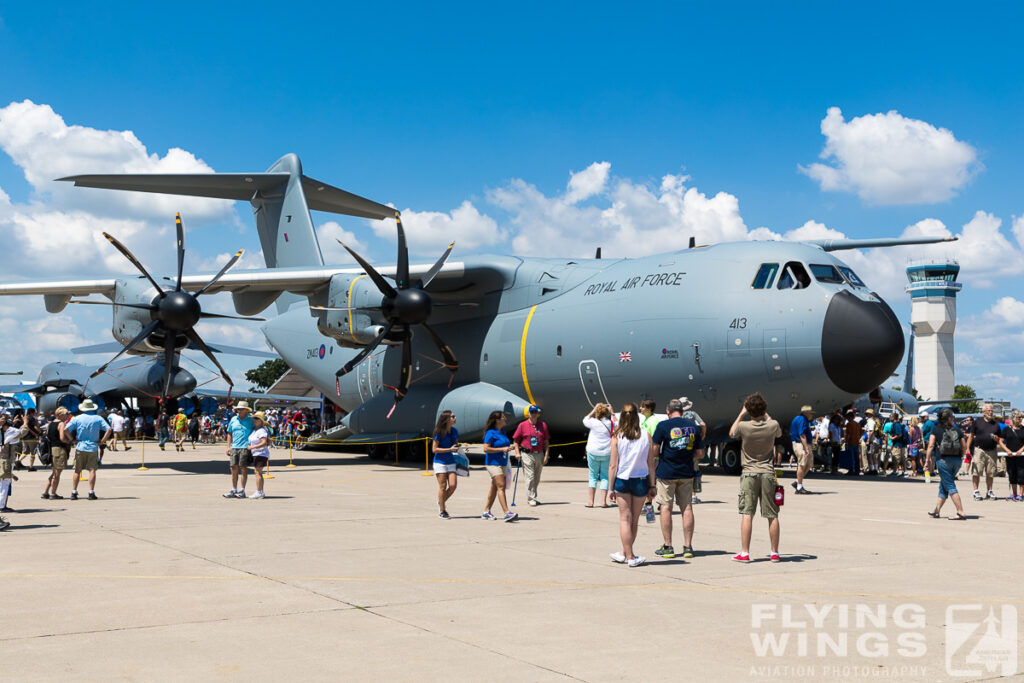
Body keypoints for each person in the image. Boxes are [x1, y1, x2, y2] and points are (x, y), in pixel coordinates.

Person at [728, 393, 783, 563]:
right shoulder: (773, 425)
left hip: (749, 473)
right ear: (764, 409)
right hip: (767, 472)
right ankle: (774, 552)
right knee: (772, 514)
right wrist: (766, 414)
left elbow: (731, 433)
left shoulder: (744, 426)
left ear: (748, 409)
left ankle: (745, 552)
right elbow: (779, 434)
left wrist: (741, 414)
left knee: (747, 513)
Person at [651, 398, 703, 559]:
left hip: (666, 473)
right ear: (682, 411)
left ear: (668, 411)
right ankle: (688, 547)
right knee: (686, 508)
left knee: (665, 507)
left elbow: (654, 451)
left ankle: (668, 546)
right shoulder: (693, 427)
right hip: (686, 472)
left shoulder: (663, 426)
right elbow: (700, 453)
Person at [608, 403, 655, 567]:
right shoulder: (646, 435)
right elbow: (651, 464)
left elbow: (613, 465)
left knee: (624, 519)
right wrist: (653, 485)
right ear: (637, 416)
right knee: (634, 520)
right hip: (640, 481)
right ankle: (629, 555)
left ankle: (626, 554)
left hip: (622, 479)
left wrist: (610, 488)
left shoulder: (617, 436)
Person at [925, 408, 967, 520]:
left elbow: (930, 445)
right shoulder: (957, 430)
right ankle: (936, 511)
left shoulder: (936, 429)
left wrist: (927, 460)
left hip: (943, 461)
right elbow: (964, 446)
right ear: (949, 418)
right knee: (944, 485)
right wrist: (961, 456)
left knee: (950, 486)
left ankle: (960, 512)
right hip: (957, 461)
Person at [66, 399, 111, 501]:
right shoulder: (98, 418)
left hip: (80, 446)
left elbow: (65, 429)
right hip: (93, 447)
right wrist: (102, 441)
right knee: (92, 470)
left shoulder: (77, 418)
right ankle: (91, 492)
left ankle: (74, 491)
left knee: (77, 470)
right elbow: (109, 429)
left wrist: (72, 440)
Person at [481, 411, 518, 522]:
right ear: (497, 420)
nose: (505, 419)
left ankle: (486, 511)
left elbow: (504, 445)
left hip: (503, 463)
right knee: (501, 486)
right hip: (493, 464)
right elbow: (486, 449)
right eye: (503, 417)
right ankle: (507, 512)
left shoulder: (502, 432)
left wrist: (509, 447)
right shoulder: (490, 433)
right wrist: (502, 449)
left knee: (494, 488)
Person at [512, 405, 550, 506]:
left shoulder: (543, 425)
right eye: (532, 412)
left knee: (536, 478)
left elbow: (546, 441)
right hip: (527, 454)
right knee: (530, 477)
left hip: (539, 454)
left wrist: (546, 455)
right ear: (528, 413)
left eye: (535, 412)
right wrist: (517, 452)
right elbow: (516, 441)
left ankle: (533, 496)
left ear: (538, 414)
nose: (533, 414)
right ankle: (531, 498)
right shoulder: (522, 425)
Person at [968, 404, 1003, 500]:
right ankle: (976, 491)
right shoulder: (977, 422)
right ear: (983, 412)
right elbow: (971, 436)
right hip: (979, 450)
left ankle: (989, 491)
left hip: (991, 450)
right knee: (977, 471)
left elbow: (1000, 439)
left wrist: (997, 438)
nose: (991, 412)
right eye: (988, 411)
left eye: (992, 411)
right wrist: (967, 449)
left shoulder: (996, 424)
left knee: (990, 472)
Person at [583, 403, 615, 507]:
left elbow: (585, 419)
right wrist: (612, 412)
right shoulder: (610, 423)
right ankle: (603, 502)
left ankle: (591, 502)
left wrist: (594, 409)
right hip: (606, 453)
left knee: (593, 476)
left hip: (593, 452)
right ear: (606, 413)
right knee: (605, 477)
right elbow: (619, 424)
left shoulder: (593, 422)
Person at [432, 410, 460, 519]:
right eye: (453, 416)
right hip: (440, 462)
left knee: (453, 486)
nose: (455, 418)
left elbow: (455, 444)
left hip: (451, 461)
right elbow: (434, 449)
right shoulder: (438, 432)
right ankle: (443, 510)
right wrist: (449, 449)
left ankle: (441, 501)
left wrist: (458, 447)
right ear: (447, 419)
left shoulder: (454, 431)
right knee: (443, 486)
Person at [224, 401, 254, 499]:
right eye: (238, 409)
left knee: (244, 468)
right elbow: (229, 433)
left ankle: (242, 490)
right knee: (233, 468)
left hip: (245, 447)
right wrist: (228, 446)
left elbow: (257, 428)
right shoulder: (233, 419)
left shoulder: (251, 419)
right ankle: (233, 489)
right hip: (234, 447)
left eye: (241, 409)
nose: (239, 411)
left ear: (246, 410)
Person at [41, 407, 71, 500]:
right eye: (66, 414)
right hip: (59, 449)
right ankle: (53, 493)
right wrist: (69, 441)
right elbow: (62, 438)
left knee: (54, 472)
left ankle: (45, 492)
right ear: (61, 415)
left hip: (51, 449)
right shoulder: (61, 424)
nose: (68, 416)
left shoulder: (50, 424)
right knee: (57, 474)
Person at [996, 411, 1024, 501]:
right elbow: (1000, 441)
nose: (1021, 419)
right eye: (1019, 417)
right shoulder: (1007, 429)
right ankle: (1014, 493)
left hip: (1021, 456)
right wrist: (1007, 450)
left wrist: (1021, 450)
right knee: (1012, 474)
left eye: (1021, 417)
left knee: (1021, 474)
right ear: (1013, 418)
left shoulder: (1023, 429)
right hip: (1010, 456)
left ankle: (1021, 494)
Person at [790, 405, 815, 493]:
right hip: (800, 444)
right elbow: (802, 434)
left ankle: (797, 482)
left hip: (802, 444)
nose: (812, 415)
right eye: (810, 413)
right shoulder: (802, 420)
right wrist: (806, 448)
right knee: (802, 464)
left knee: (809, 464)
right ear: (806, 413)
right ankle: (799, 487)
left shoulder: (800, 419)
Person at [248, 412, 270, 500]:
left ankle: (259, 492)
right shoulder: (255, 430)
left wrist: (252, 447)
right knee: (258, 473)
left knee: (257, 473)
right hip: (257, 453)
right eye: (254, 418)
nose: (255, 420)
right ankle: (260, 491)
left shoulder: (261, 430)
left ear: (261, 421)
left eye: (257, 418)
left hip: (260, 453)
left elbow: (264, 443)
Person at [843, 410, 863, 476]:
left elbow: (848, 434)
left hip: (851, 442)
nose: (847, 419)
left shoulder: (849, 424)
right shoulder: (857, 424)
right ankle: (857, 471)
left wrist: (846, 442)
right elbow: (861, 432)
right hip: (856, 442)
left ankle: (851, 470)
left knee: (850, 457)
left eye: (847, 417)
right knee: (856, 457)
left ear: (850, 417)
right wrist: (857, 438)